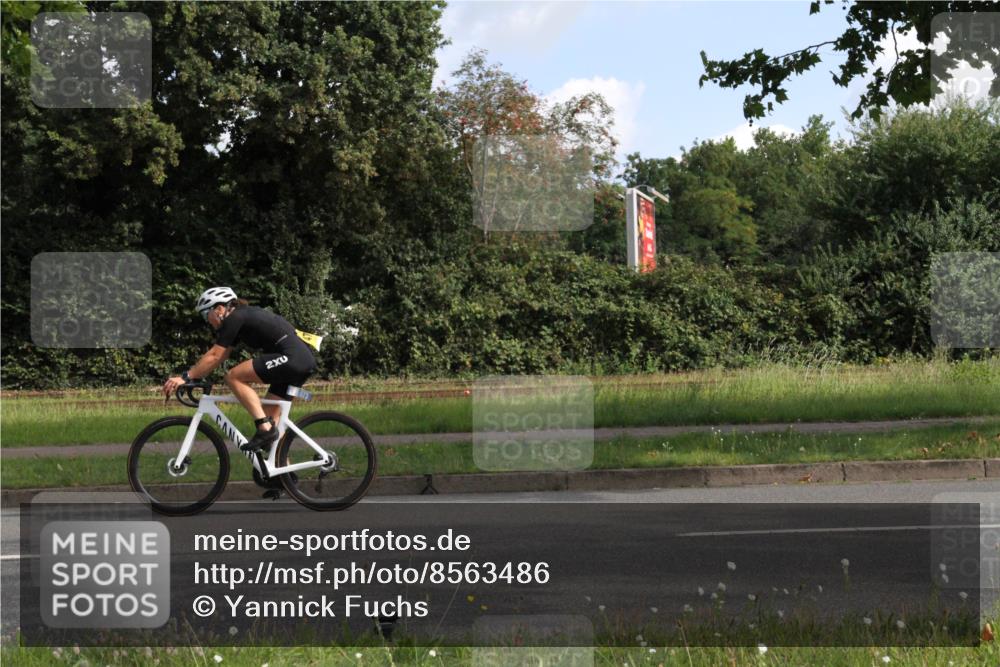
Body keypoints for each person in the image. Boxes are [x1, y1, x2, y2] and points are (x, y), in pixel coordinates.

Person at [162, 287, 318, 454]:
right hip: (300, 359)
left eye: (205, 314)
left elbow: (215, 355)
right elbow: (220, 356)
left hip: (293, 358)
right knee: (272, 420)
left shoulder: (235, 317)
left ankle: (264, 428)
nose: (207, 320)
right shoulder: (241, 317)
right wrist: (194, 375)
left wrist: (186, 377)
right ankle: (282, 474)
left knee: (233, 377)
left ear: (219, 309)